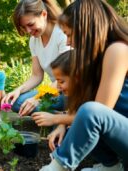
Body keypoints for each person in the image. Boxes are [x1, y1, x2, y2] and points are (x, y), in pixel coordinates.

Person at [41, 0, 128, 170]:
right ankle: (111, 166)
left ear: (86, 28)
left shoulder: (118, 50)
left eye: (69, 34)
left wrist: (57, 118)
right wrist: (62, 124)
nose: (67, 42)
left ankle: (56, 168)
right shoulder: (98, 59)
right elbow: (83, 103)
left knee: (90, 112)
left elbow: (99, 111)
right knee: (84, 112)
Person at [2, 0, 70, 116]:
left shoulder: (62, 33)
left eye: (30, 24)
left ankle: (62, 117)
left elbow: (68, 76)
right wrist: (18, 90)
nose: (28, 31)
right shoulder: (33, 41)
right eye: (24, 27)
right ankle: (58, 115)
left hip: (68, 91)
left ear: (44, 14)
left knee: (30, 103)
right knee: (16, 102)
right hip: (53, 93)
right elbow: (37, 76)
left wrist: (38, 98)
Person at [32, 50, 74, 138]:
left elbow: (86, 117)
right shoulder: (74, 96)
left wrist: (54, 119)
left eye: (61, 81)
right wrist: (62, 124)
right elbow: (71, 112)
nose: (58, 87)